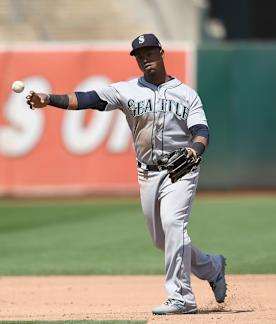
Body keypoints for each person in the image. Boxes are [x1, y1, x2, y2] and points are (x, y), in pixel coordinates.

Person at [26, 33, 227, 315]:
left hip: (181, 170)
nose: (145, 58)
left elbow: (201, 131)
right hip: (147, 173)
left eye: (149, 52)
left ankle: (181, 297)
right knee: (162, 240)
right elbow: (86, 99)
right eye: (139, 55)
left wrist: (194, 150)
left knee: (173, 225)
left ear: (161, 52)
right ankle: (212, 267)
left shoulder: (187, 94)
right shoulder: (126, 90)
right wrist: (48, 99)